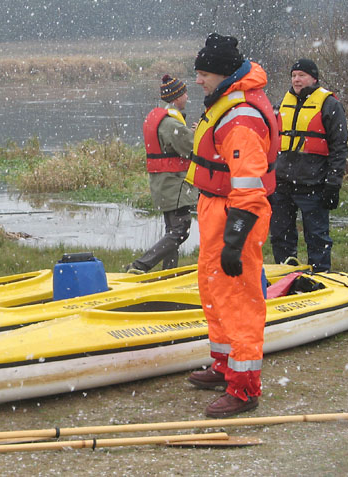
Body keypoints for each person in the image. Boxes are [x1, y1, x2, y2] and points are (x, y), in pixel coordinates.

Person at [184, 33, 279, 418]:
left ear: (223, 74)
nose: (198, 81)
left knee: (239, 300)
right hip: (217, 207)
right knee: (214, 289)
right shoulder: (228, 101)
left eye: (203, 74)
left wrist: (235, 240)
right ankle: (224, 365)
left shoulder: (241, 119)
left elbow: (250, 188)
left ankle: (244, 388)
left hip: (236, 214)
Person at [269, 59, 348, 272]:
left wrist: (333, 184)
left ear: (314, 78)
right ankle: (286, 276)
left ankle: (321, 277)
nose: (296, 79)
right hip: (282, 184)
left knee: (317, 238)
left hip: (314, 184)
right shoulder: (281, 105)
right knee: (280, 236)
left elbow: (339, 148)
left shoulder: (330, 105)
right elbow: (270, 143)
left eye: (301, 75)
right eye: (294, 75)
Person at [125, 74, 197, 273]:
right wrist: (198, 133)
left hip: (163, 183)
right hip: (175, 184)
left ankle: (168, 273)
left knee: (172, 230)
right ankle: (140, 265)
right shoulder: (171, 124)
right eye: (185, 94)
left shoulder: (158, 118)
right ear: (177, 97)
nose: (187, 97)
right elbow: (192, 148)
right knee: (181, 230)